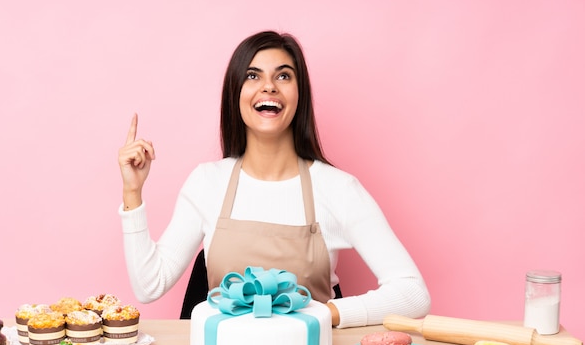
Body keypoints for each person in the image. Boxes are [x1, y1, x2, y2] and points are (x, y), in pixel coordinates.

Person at [118, 30, 430, 328]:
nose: (269, 86)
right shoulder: (207, 183)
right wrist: (133, 191)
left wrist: (325, 313)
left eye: (283, 76)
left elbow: (413, 294)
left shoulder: (338, 189)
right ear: (236, 93)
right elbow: (150, 285)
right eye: (253, 76)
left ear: (299, 94)